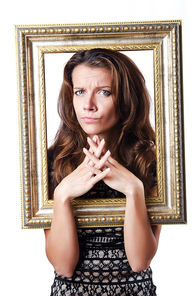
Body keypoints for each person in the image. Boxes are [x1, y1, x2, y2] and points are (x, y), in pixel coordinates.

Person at [45, 48, 162, 296]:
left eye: (104, 92)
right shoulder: (52, 162)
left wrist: (133, 189)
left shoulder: (151, 161)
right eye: (79, 92)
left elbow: (140, 261)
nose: (88, 105)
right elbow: (63, 267)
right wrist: (64, 194)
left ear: (127, 100)